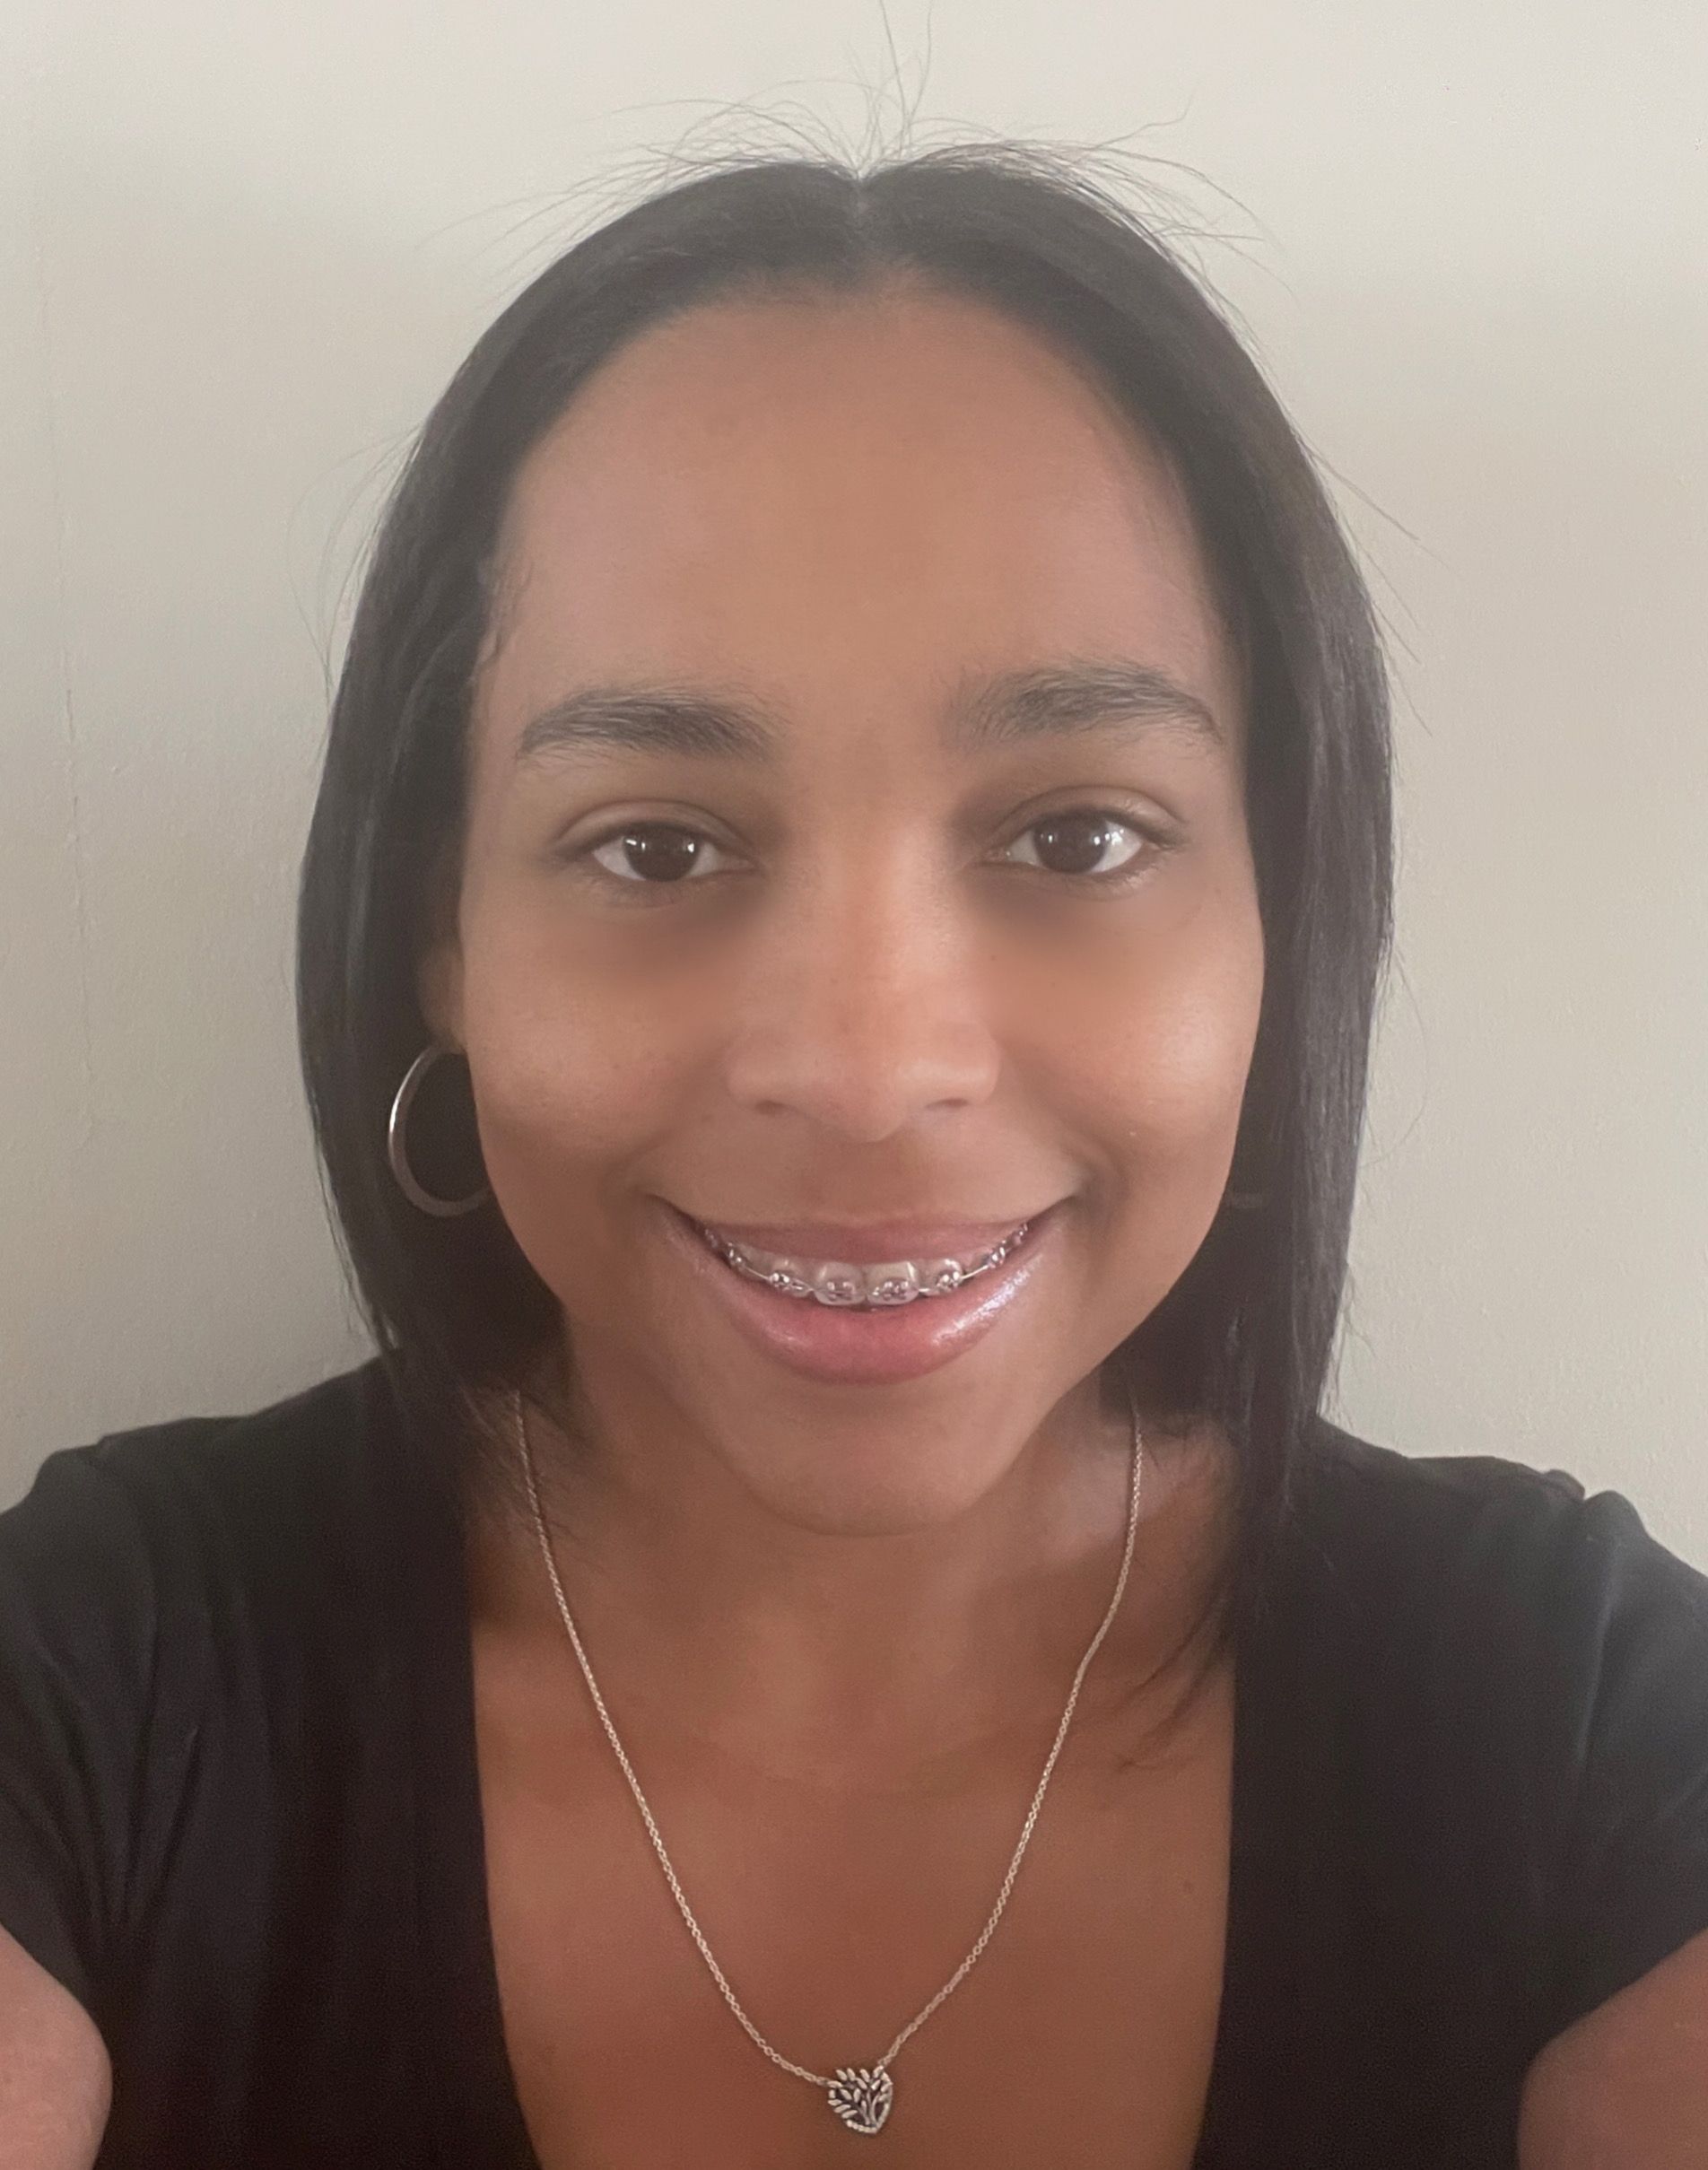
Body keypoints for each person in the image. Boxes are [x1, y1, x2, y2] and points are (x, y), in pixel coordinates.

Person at [3, 143, 1704, 2170]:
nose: (871, 1067)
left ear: (1280, 922)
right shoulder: (103, 1686)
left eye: (1074, 834)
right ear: (437, 941)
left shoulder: (1576, 1726)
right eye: (657, 844)